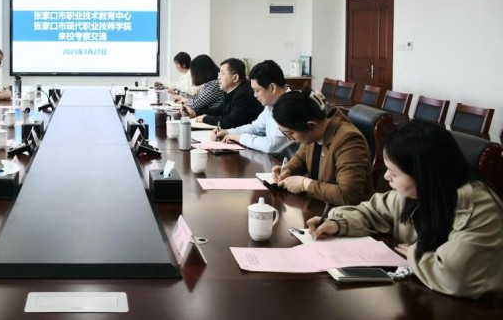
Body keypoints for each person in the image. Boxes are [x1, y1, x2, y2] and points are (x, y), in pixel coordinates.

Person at [310, 122, 503, 300]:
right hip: (424, 294)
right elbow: (372, 211)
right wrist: (338, 223)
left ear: (422, 172)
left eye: (393, 172)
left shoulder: (477, 206)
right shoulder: (415, 192)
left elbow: (458, 277)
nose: (386, 177)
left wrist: (415, 253)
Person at [270, 88, 373, 206]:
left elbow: (348, 195)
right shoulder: (314, 133)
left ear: (311, 125)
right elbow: (301, 158)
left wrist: (305, 184)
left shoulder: (348, 140)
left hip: (348, 212)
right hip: (321, 206)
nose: (290, 138)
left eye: (290, 134)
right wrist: (288, 170)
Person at [213, 60, 294, 159]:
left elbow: (271, 145)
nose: (255, 95)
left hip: (286, 164)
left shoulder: (291, 106)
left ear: (272, 88)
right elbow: (255, 128)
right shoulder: (271, 104)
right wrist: (228, 132)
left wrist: (240, 137)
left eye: (257, 90)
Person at [191, 58, 263, 129]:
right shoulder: (231, 91)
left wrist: (205, 119)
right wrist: (195, 113)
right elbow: (219, 111)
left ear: (235, 78)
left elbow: (231, 122)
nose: (218, 77)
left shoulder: (243, 94)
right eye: (219, 73)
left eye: (222, 73)